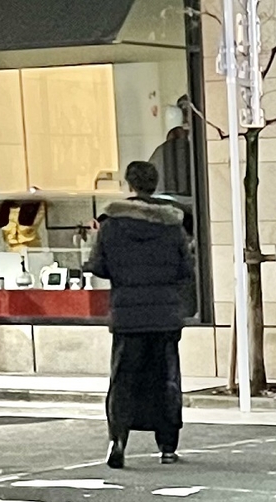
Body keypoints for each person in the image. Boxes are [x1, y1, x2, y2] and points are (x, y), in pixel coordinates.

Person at [84, 158, 196, 467]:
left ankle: (118, 439)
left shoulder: (111, 224)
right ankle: (167, 446)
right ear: (155, 184)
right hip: (164, 315)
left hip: (127, 315)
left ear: (129, 185)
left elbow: (99, 266)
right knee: (166, 378)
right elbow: (185, 269)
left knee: (123, 378)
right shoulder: (173, 226)